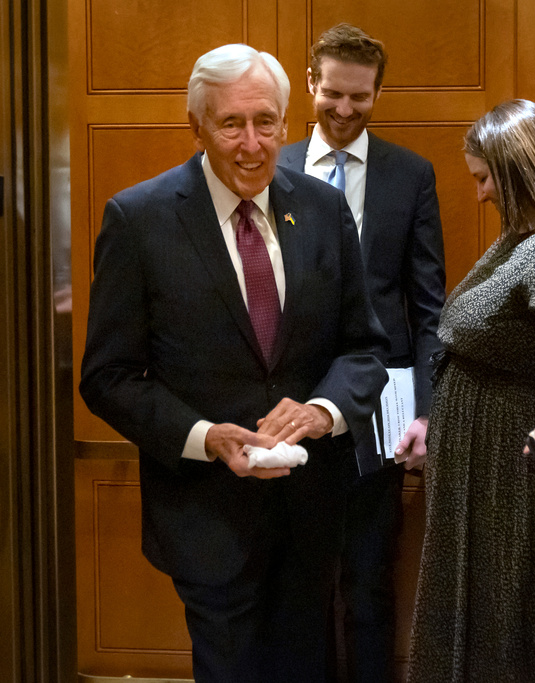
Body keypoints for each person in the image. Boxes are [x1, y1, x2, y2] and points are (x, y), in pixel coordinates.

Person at [79, 43, 389, 683]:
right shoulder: (138, 220)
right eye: (231, 124)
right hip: (207, 516)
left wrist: (322, 410)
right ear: (197, 125)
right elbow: (107, 376)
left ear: (284, 120)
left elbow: (363, 347)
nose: (252, 144)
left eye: (266, 122)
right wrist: (204, 436)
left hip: (311, 511)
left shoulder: (326, 211)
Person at [278, 23, 445, 681]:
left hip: (384, 408)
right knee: (302, 581)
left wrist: (427, 413)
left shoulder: (411, 176)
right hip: (291, 403)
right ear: (311, 84)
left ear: (378, 92)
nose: (345, 111)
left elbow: (428, 307)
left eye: (361, 97)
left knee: (371, 574)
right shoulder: (277, 167)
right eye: (333, 95)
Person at [408, 99, 535, 682]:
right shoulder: (523, 236)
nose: (482, 193)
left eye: (486, 178)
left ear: (518, 172)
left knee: (507, 606)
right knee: (482, 601)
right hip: (481, 459)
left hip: (509, 465)